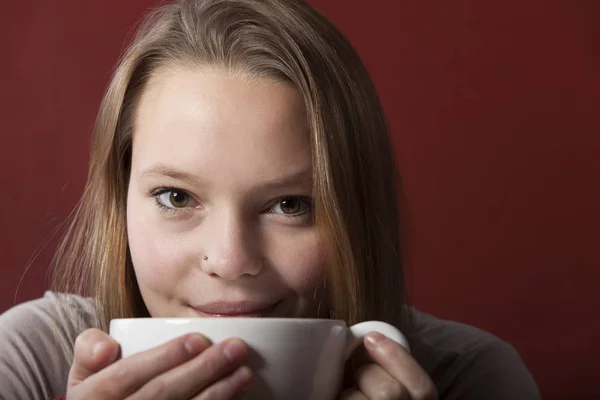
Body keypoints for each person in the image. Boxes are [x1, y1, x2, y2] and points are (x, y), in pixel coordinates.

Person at [0, 0, 540, 399]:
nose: (232, 260)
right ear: (121, 206)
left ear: (355, 213)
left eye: (290, 205)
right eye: (175, 196)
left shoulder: (473, 379)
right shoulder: (26, 362)